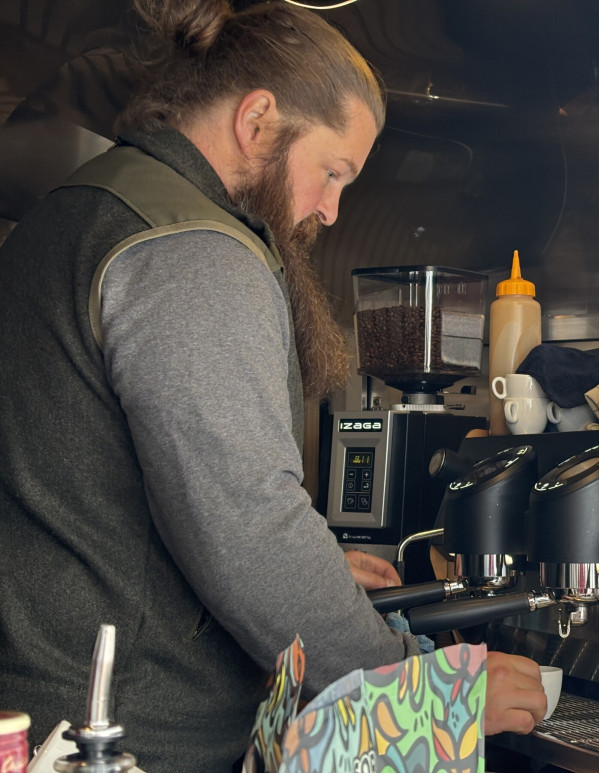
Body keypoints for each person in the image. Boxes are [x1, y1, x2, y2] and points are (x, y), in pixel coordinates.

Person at [0, 1, 545, 770]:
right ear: (257, 121)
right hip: (132, 740)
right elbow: (248, 525)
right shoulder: (192, 252)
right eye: (332, 171)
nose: (329, 208)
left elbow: (104, 493)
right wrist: (427, 689)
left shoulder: (76, 214)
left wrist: (309, 567)